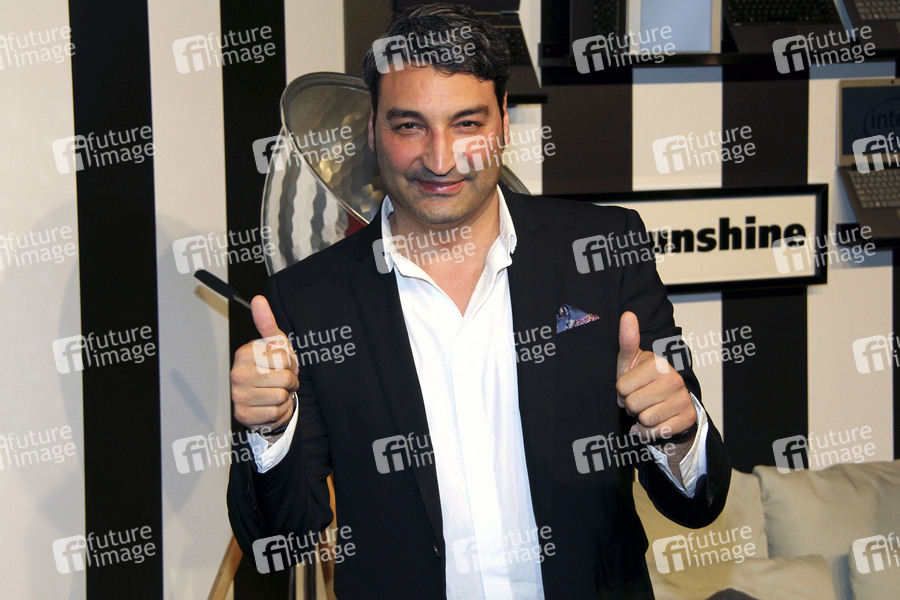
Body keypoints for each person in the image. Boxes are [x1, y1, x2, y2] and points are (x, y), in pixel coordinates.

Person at [227, 4, 730, 599]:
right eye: (409, 126)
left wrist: (677, 431)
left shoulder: (602, 250)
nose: (440, 160)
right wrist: (270, 430)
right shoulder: (308, 300)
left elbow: (698, 503)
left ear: (503, 123)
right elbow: (277, 542)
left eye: (466, 123)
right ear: (371, 130)